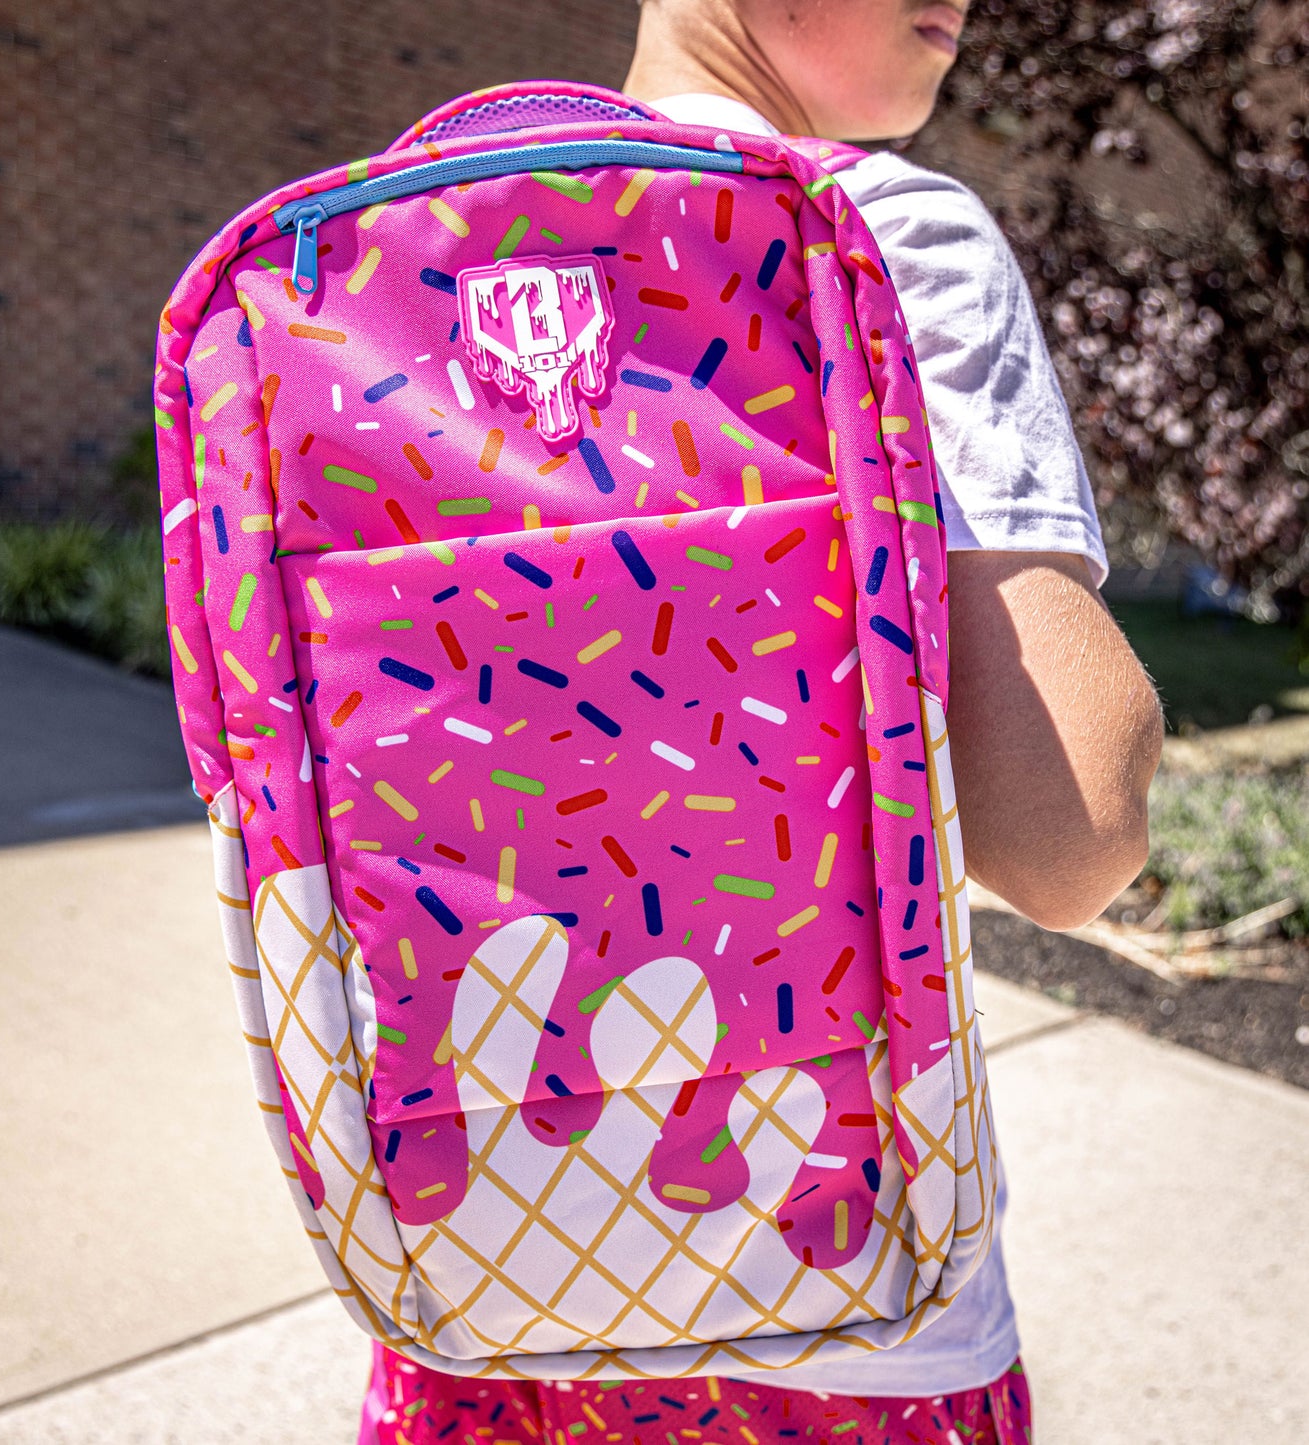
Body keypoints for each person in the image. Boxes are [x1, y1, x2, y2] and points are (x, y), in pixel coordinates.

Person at [361, 2, 1164, 1439]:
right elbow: (1069, 834)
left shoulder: (379, 268)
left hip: (475, 1277)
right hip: (830, 1298)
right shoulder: (869, 235)